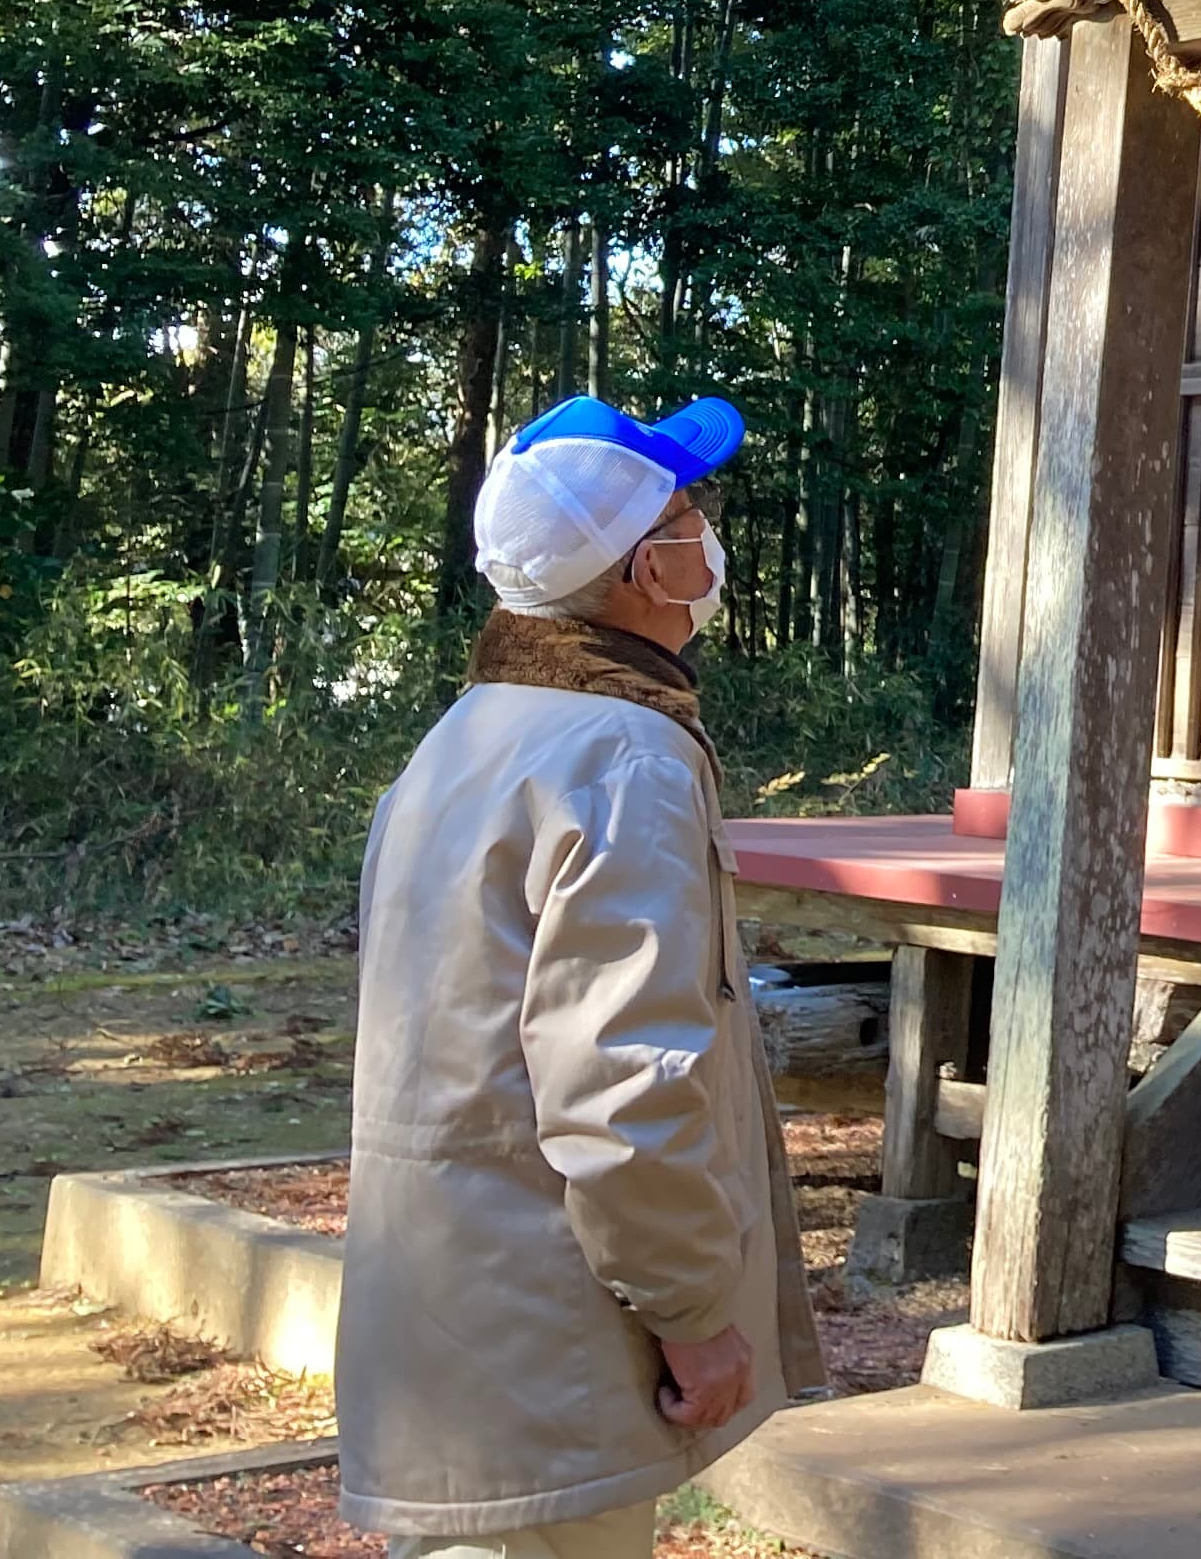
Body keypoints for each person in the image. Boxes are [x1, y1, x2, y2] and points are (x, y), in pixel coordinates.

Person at [339, 394, 820, 1559]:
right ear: (641, 570)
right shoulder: (624, 755)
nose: (706, 539)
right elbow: (624, 1084)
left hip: (447, 1319)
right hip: (551, 1337)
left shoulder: (470, 729)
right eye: (687, 515)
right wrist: (695, 1316)